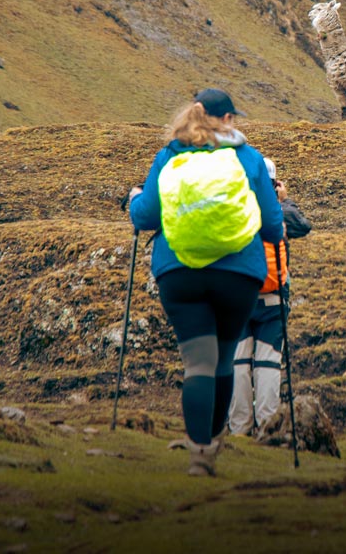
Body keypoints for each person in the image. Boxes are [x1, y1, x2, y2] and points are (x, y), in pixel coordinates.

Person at [129, 88, 284, 475]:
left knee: (197, 362)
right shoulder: (247, 158)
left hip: (180, 274)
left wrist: (133, 199)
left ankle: (198, 453)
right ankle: (214, 442)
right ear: (227, 119)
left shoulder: (169, 155)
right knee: (224, 359)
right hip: (238, 277)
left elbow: (145, 215)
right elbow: (272, 224)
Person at [228, 157, 311, 436]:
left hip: (238, 297)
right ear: (274, 184)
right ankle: (267, 427)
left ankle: (239, 428)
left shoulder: (235, 208)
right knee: (268, 363)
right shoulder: (277, 212)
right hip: (274, 298)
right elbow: (302, 225)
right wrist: (284, 201)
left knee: (238, 363)